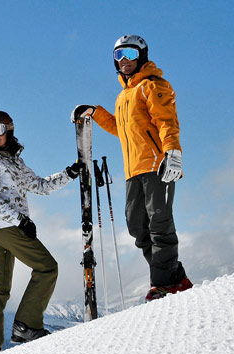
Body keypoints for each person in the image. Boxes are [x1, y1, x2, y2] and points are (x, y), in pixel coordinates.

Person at [73, 35, 193, 302]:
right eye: (118, 55)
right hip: (133, 171)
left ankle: (162, 284)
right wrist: (97, 112)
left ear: (142, 55)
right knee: (137, 226)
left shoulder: (153, 86)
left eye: (129, 53)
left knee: (159, 223)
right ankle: (175, 278)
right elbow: (122, 129)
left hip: (157, 165)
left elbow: (166, 121)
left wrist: (172, 152)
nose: (124, 60)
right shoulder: (124, 96)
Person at [0, 110, 83, 354]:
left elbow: (39, 186)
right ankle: (26, 325)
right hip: (5, 227)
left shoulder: (14, 161)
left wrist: (68, 174)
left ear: (9, 131)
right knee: (47, 267)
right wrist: (20, 221)